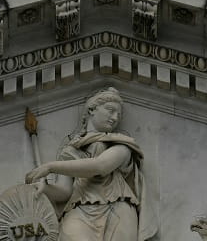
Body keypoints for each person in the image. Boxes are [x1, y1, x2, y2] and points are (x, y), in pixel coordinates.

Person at [24, 87, 154, 241]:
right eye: (110, 110)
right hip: (79, 209)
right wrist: (45, 188)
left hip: (117, 208)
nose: (115, 118)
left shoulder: (122, 145)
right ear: (92, 109)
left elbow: (100, 166)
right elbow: (65, 192)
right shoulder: (69, 150)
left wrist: (50, 167)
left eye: (118, 115)